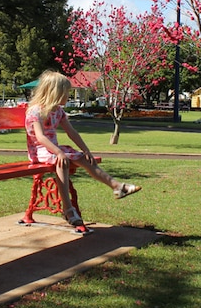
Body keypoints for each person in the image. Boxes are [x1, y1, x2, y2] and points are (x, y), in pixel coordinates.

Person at [25, 70, 141, 228]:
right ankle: (68, 209)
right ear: (55, 93)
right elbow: (41, 137)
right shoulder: (35, 111)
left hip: (54, 149)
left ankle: (117, 187)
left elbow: (72, 132)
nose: (68, 96)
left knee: (83, 158)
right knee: (62, 161)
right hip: (40, 151)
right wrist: (59, 152)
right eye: (66, 92)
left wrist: (86, 151)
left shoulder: (58, 111)